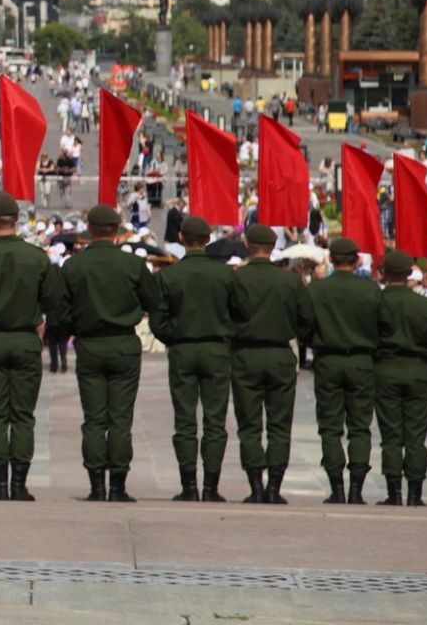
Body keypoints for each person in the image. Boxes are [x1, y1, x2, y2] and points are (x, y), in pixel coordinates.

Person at [61, 204, 162, 502]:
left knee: (94, 419)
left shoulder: (74, 266)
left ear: (89, 230)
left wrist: (79, 324)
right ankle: (117, 486)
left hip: (90, 343)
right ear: (117, 230)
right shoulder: (132, 266)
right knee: (120, 418)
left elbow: (61, 310)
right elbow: (154, 301)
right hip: (123, 344)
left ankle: (96, 486)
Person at [0, 192, 63, 502]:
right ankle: (20, 485)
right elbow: (53, 302)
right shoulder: (37, 258)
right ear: (16, 220)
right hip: (26, 339)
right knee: (23, 415)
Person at [151, 215, 234, 502]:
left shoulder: (169, 276)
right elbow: (239, 314)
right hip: (215, 349)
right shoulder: (225, 275)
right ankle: (211, 487)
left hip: (183, 349)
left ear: (182, 239)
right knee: (215, 420)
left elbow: (157, 320)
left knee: (184, 420)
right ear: (208, 240)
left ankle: (189, 485)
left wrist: (174, 336)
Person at [228, 224, 312, 503]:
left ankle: (255, 486)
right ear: (272, 247)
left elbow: (225, 316)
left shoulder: (236, 279)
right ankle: (274, 488)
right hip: (279, 355)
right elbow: (306, 320)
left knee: (249, 424)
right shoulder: (289, 281)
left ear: (249, 246)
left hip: (246, 355)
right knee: (279, 423)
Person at [305, 236, 382, 504]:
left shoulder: (316, 290)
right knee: (360, 427)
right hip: (361, 361)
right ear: (357, 260)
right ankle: (356, 489)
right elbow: (383, 326)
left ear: (331, 260)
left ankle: (337, 488)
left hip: (328, 360)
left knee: (330, 427)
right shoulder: (371, 291)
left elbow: (304, 327)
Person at [375, 249, 427, 506]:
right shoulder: (425, 305)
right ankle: (415, 495)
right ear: (408, 274)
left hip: (386, 369)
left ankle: (394, 494)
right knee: (416, 436)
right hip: (418, 371)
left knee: (391, 436)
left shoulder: (377, 302)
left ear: (385, 272)